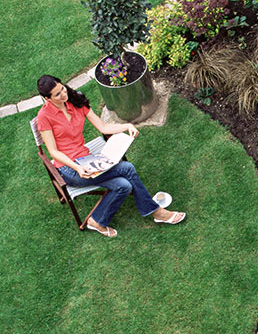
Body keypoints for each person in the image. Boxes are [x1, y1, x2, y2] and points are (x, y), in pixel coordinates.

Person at [35, 74, 185, 237]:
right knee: (127, 168)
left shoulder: (75, 100)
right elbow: (53, 152)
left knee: (124, 186)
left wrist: (127, 126)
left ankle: (96, 221)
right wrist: (77, 167)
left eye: (62, 88)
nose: (63, 94)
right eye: (57, 95)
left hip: (88, 159)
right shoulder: (44, 117)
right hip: (70, 169)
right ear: (47, 99)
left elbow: (103, 127)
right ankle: (156, 212)